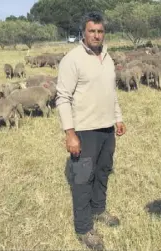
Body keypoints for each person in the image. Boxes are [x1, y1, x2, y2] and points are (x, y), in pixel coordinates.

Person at [55, 11, 126, 250]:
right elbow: (62, 97)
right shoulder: (72, 59)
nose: (96, 35)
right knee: (83, 179)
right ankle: (84, 228)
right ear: (83, 33)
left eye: (100, 31)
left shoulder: (106, 57)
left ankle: (99, 210)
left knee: (103, 171)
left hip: (107, 129)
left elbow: (111, 92)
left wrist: (118, 118)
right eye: (92, 31)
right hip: (84, 131)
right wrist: (70, 132)